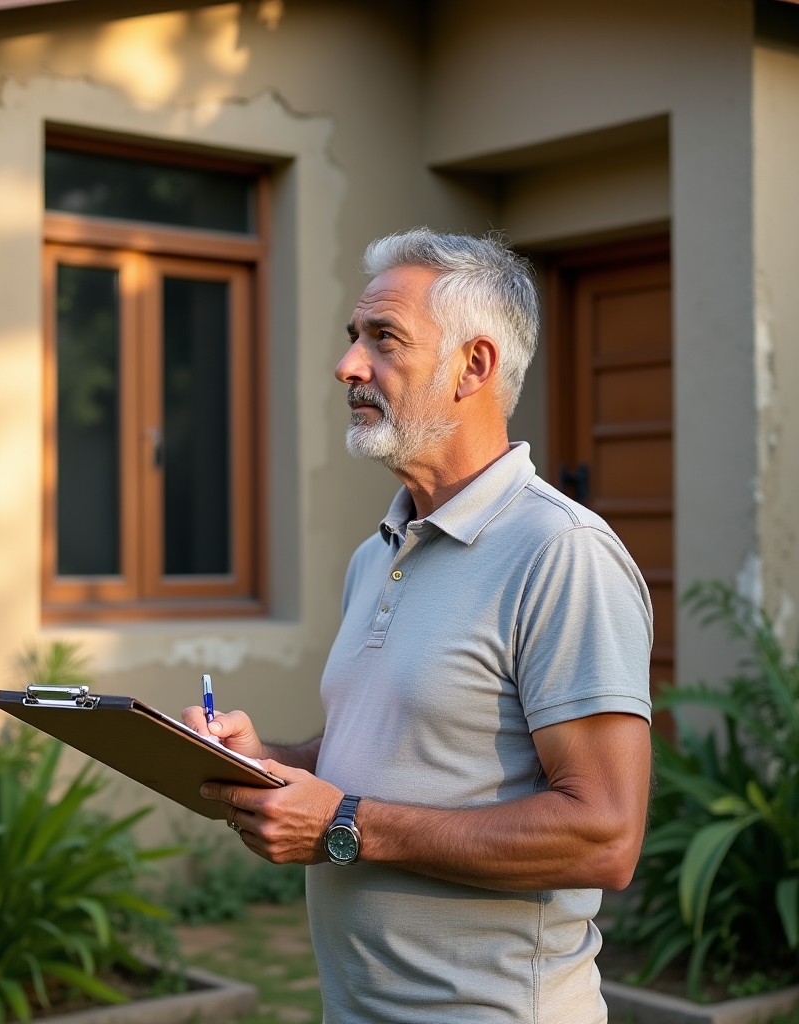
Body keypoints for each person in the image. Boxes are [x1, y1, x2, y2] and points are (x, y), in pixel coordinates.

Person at [183, 228, 652, 1023]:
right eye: (352, 338)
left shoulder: (561, 552)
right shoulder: (377, 552)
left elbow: (604, 836)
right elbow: (394, 753)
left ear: (475, 366)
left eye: (383, 339)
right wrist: (269, 762)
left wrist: (340, 824)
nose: (349, 365)